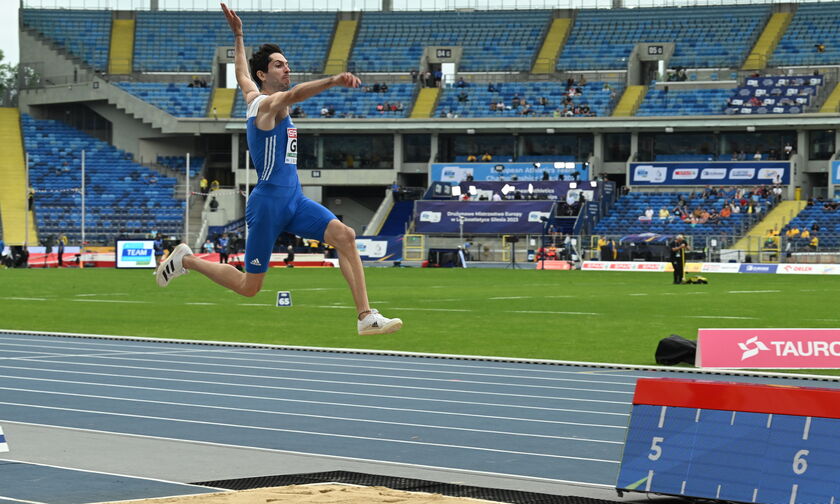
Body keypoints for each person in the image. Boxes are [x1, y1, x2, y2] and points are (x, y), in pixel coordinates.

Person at [157, 4, 402, 336]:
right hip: (269, 204)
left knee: (345, 236)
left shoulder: (253, 93)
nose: (287, 68)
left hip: (294, 200)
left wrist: (239, 35)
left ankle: (365, 316)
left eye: (287, 64)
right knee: (249, 286)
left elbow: (242, 74)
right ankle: (186, 260)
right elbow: (294, 94)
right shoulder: (267, 106)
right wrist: (332, 81)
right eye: (278, 65)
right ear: (265, 74)